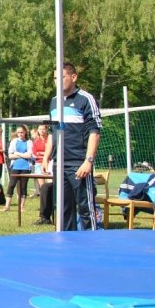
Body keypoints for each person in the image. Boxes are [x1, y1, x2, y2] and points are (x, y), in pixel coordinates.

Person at [42, 62, 102, 231]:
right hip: (59, 163)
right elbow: (53, 133)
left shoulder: (85, 99)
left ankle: (90, 243)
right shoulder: (54, 102)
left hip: (78, 163)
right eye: (54, 78)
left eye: (61, 77)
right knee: (62, 208)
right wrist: (46, 157)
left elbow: (94, 132)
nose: (57, 82)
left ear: (73, 77)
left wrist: (88, 161)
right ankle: (67, 246)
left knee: (85, 208)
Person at [2, 125, 33, 213]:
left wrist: (18, 154)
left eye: (22, 132)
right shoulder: (14, 141)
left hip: (26, 167)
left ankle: (22, 206)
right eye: (18, 132)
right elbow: (10, 155)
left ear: (25, 132)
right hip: (15, 166)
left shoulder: (29, 142)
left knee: (23, 187)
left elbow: (29, 155)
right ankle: (7, 205)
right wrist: (23, 155)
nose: (20, 134)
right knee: (11, 185)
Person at [31, 124, 49, 196]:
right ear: (38, 130)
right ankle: (44, 202)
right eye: (40, 129)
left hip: (49, 163)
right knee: (42, 186)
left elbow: (51, 152)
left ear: (46, 130)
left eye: (43, 129)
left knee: (50, 183)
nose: (42, 131)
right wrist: (44, 153)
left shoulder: (49, 139)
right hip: (38, 163)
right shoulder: (36, 141)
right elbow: (35, 153)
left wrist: (42, 153)